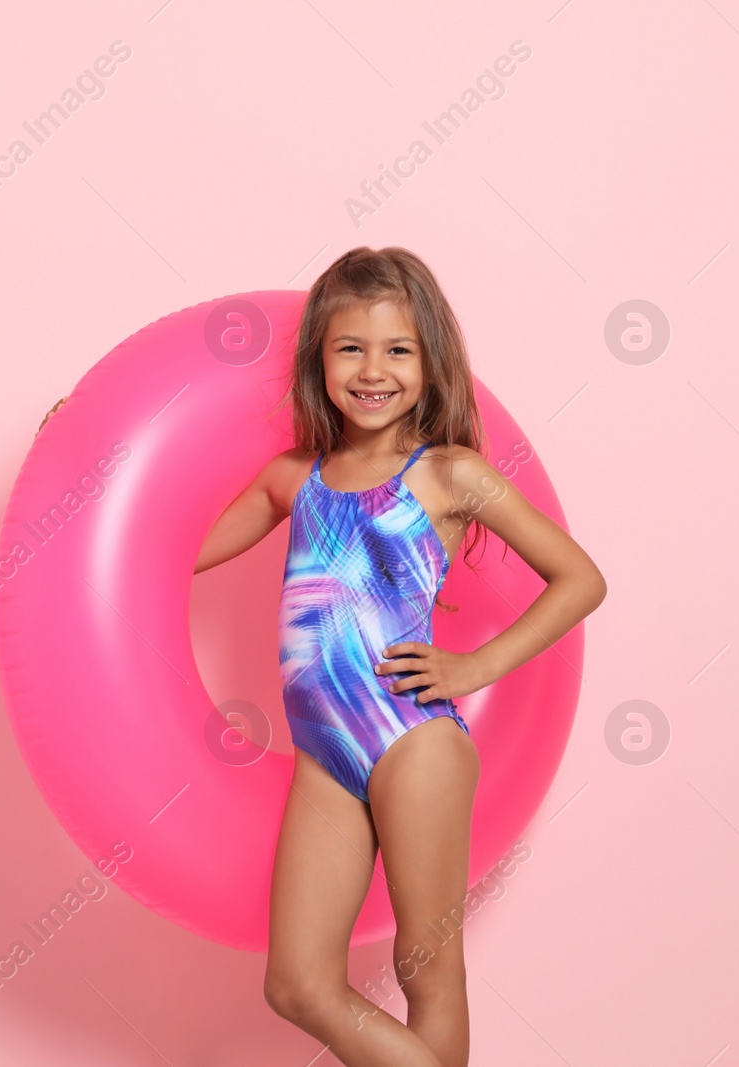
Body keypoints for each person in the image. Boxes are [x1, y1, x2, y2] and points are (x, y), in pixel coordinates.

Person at [195, 247, 606, 1066]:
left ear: (429, 361)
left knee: (426, 969)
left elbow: (581, 578)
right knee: (297, 983)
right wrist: (87, 455)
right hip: (325, 753)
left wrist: (471, 666)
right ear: (319, 357)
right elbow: (170, 550)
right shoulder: (291, 480)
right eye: (351, 348)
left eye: (398, 350)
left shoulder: (450, 475)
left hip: (411, 736)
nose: (373, 370)